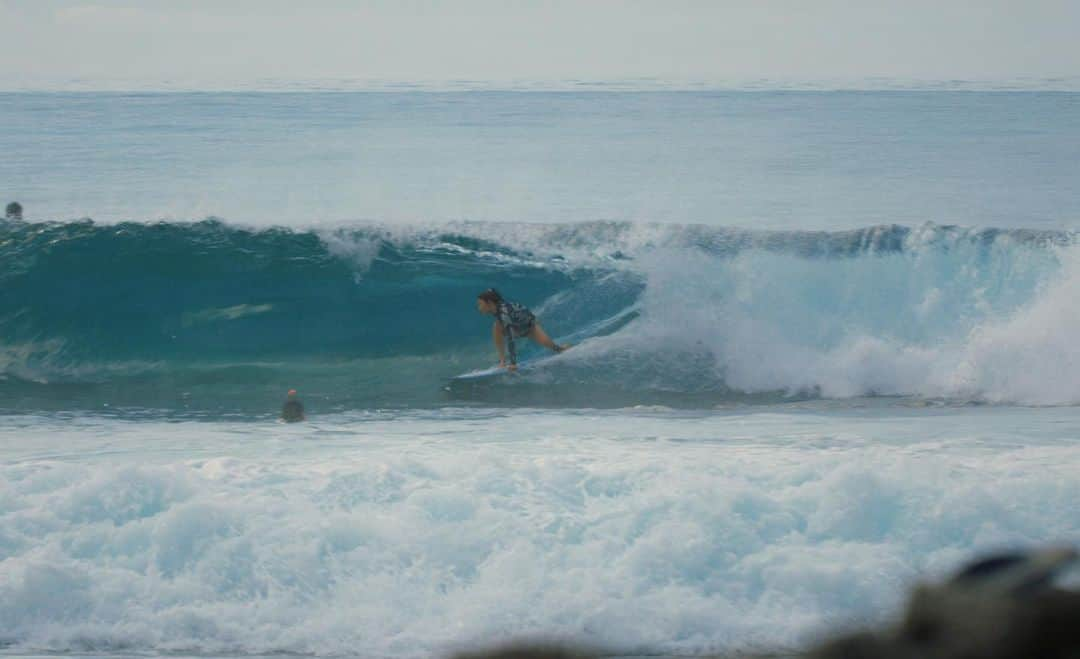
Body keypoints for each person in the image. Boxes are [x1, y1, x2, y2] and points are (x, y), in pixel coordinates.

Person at [476, 288, 568, 371]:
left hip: (531, 327)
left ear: (490, 303)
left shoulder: (504, 314)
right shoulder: (498, 307)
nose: (479, 308)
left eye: (480, 304)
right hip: (522, 326)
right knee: (496, 326)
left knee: (554, 347)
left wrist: (513, 363)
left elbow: (510, 339)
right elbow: (493, 293)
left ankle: (562, 348)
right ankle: (502, 360)